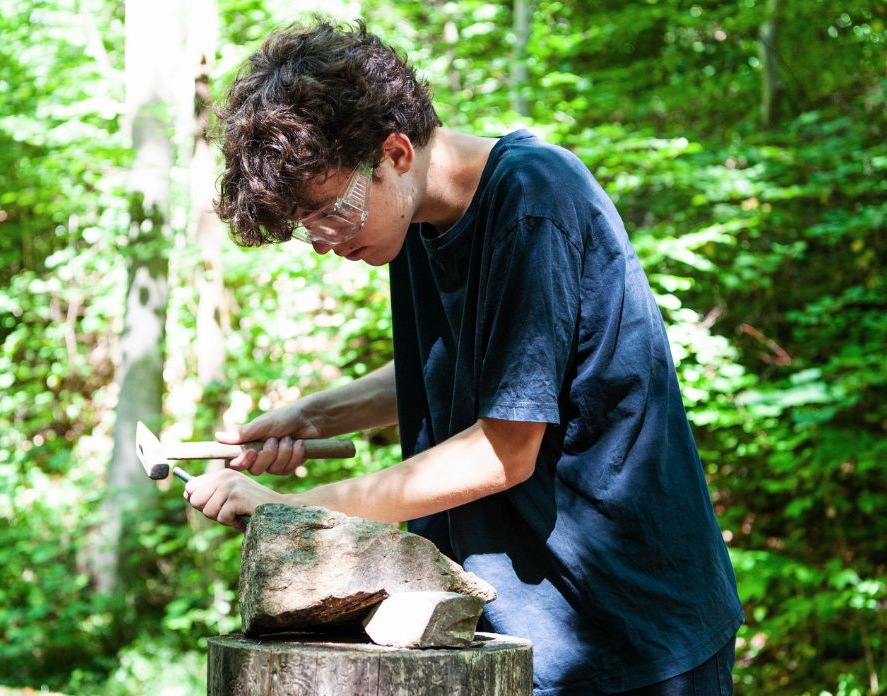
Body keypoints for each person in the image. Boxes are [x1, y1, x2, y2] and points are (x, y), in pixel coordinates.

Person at [184, 18, 743, 695]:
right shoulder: (411, 222)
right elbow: (464, 367)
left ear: (394, 154)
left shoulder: (536, 203)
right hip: (509, 629)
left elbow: (504, 447)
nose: (327, 242)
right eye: (309, 229)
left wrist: (298, 514)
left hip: (629, 633)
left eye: (332, 213)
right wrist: (313, 416)